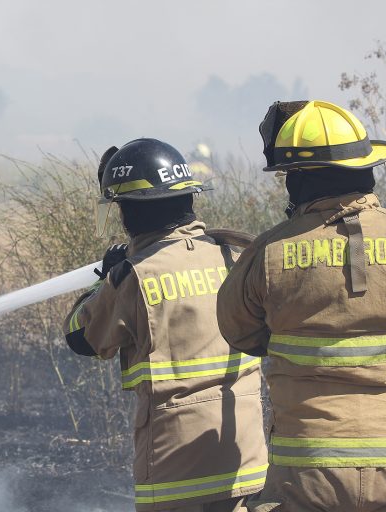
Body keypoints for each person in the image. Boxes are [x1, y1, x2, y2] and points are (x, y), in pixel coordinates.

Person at [216, 99, 386, 512]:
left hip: (304, 473)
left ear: (297, 181)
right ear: (365, 168)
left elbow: (240, 331)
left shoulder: (268, 253)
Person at [63, 138, 268, 512]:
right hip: (246, 459)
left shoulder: (133, 277)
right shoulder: (233, 257)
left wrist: (104, 280)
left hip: (175, 471)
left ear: (129, 212)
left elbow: (80, 336)